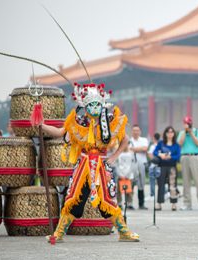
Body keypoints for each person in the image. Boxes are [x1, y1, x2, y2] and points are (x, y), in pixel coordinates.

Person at [41, 82, 139, 242]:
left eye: (97, 104)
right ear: (85, 107)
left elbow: (125, 138)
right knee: (72, 198)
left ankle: (124, 232)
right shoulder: (78, 121)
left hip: (101, 166)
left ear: (102, 105)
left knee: (108, 199)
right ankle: (58, 234)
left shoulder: (108, 120)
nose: (94, 108)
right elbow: (60, 132)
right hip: (83, 166)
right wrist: (41, 125)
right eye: (91, 105)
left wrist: (114, 157)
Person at [177, 116, 198, 210]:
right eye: (185, 123)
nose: (187, 125)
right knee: (186, 182)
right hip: (184, 156)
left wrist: (191, 133)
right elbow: (180, 144)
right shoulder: (182, 133)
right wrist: (185, 133)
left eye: (188, 123)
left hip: (195, 156)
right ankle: (187, 203)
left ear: (191, 123)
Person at [154, 126, 181, 211]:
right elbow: (154, 151)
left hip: (172, 166)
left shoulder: (176, 145)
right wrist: (160, 155)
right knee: (160, 185)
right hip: (162, 166)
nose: (170, 134)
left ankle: (173, 203)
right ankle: (159, 203)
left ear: (174, 134)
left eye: (171, 132)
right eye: (168, 132)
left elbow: (178, 156)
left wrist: (170, 157)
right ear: (165, 133)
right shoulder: (161, 143)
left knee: (173, 185)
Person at [129, 124, 149, 210]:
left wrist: (133, 149)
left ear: (140, 132)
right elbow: (127, 149)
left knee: (141, 184)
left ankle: (141, 204)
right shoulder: (129, 140)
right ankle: (129, 203)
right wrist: (139, 149)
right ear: (132, 131)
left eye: (137, 130)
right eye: (134, 130)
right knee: (131, 184)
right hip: (131, 164)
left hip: (142, 164)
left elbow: (145, 149)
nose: (136, 132)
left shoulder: (144, 140)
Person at [147, 132, 161, 205]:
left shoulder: (153, 146)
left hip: (153, 165)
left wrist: (154, 160)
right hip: (160, 165)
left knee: (152, 180)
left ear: (154, 138)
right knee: (160, 181)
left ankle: (152, 194)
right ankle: (164, 193)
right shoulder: (161, 145)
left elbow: (150, 154)